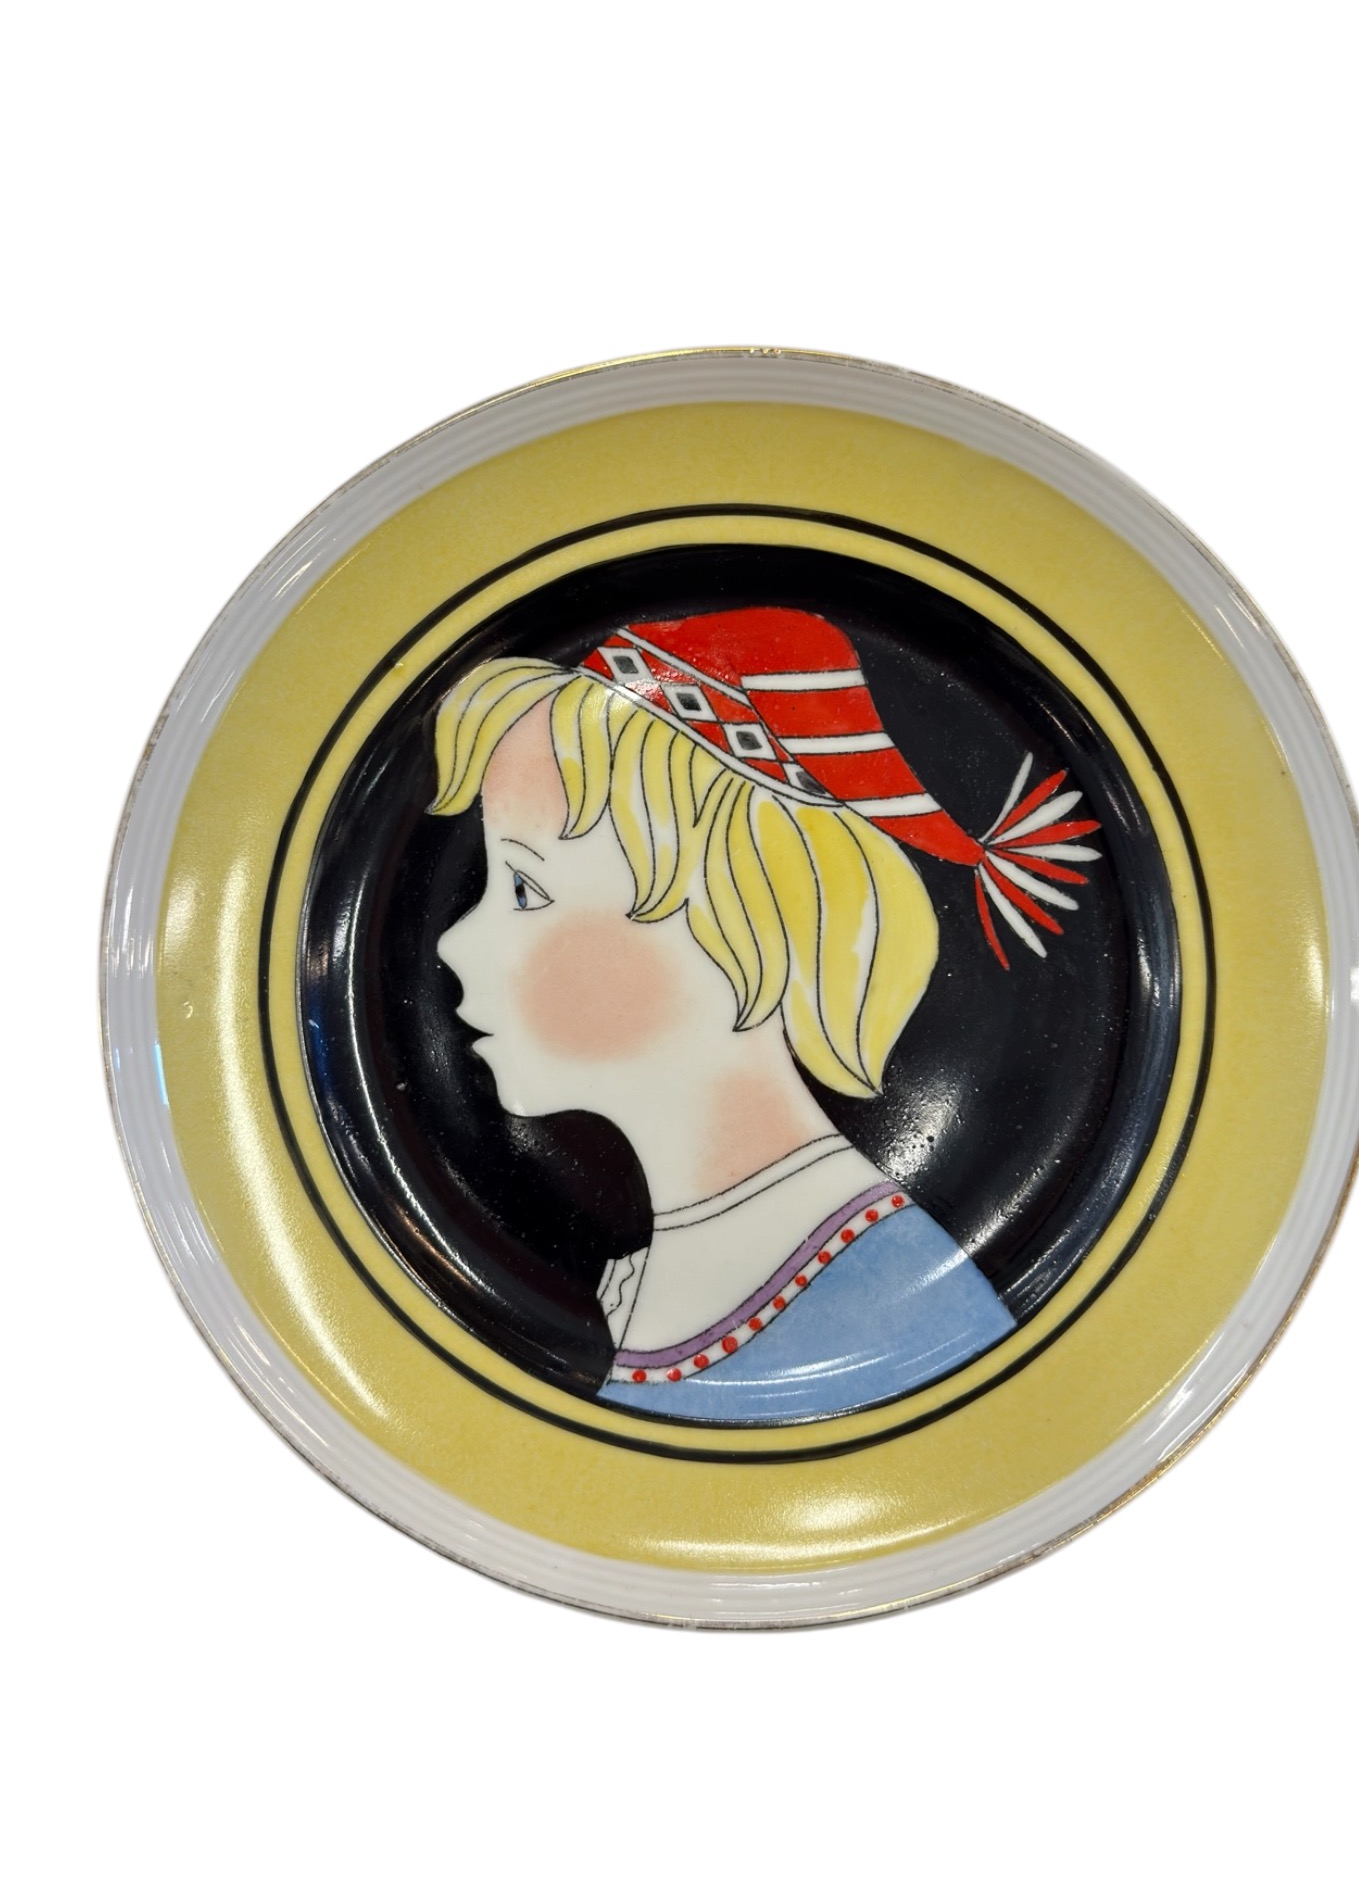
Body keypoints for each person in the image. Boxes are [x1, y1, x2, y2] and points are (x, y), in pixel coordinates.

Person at [431, 608, 1099, 1422]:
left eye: (523, 887)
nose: (454, 943)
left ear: (730, 917)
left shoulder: (903, 1314)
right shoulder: (640, 1288)